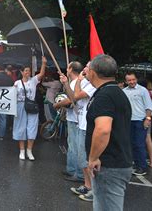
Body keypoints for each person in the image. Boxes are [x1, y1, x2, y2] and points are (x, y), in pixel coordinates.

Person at [85, 54, 133, 211]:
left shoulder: (104, 96)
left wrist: (93, 158)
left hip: (109, 166)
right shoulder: (117, 93)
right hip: (118, 162)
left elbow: (103, 129)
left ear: (93, 72)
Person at [60, 62, 97, 202]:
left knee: (87, 159)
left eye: (87, 67)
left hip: (87, 125)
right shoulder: (84, 82)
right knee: (82, 159)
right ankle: (87, 186)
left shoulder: (91, 84)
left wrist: (79, 81)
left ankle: (94, 189)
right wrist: (65, 83)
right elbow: (73, 96)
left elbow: (75, 96)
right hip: (81, 123)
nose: (84, 69)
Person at [12, 57, 46, 160]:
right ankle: (22, 151)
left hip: (32, 106)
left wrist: (43, 64)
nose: (28, 72)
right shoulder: (17, 83)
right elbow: (12, 95)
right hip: (20, 106)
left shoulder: (33, 80)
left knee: (32, 128)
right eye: (26, 70)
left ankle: (29, 151)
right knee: (20, 128)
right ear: (21, 72)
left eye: (29, 70)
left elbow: (41, 74)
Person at [55, 61, 84, 182]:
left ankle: (79, 174)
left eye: (68, 67)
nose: (66, 69)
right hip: (73, 118)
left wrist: (57, 104)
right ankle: (71, 169)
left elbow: (71, 100)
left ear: (70, 69)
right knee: (72, 145)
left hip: (77, 119)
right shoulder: (74, 82)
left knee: (76, 146)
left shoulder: (76, 83)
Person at [123, 72, 152, 176]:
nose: (131, 82)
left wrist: (147, 119)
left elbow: (149, 106)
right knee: (131, 144)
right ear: (126, 81)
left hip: (140, 121)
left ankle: (142, 167)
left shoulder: (143, 90)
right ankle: (136, 164)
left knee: (139, 144)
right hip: (128, 122)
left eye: (133, 79)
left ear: (136, 79)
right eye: (129, 80)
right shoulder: (124, 91)